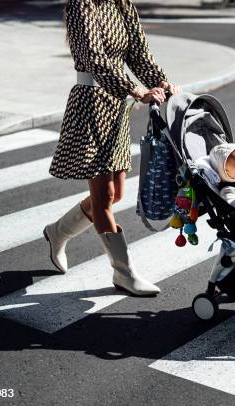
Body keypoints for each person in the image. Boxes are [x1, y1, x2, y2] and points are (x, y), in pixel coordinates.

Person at [44, 0, 178, 296]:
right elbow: (96, 60)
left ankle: (57, 233)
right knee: (104, 196)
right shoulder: (82, 5)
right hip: (91, 102)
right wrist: (136, 90)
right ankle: (124, 273)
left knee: (116, 193)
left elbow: (138, 52)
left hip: (116, 106)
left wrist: (161, 82)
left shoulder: (121, 4)